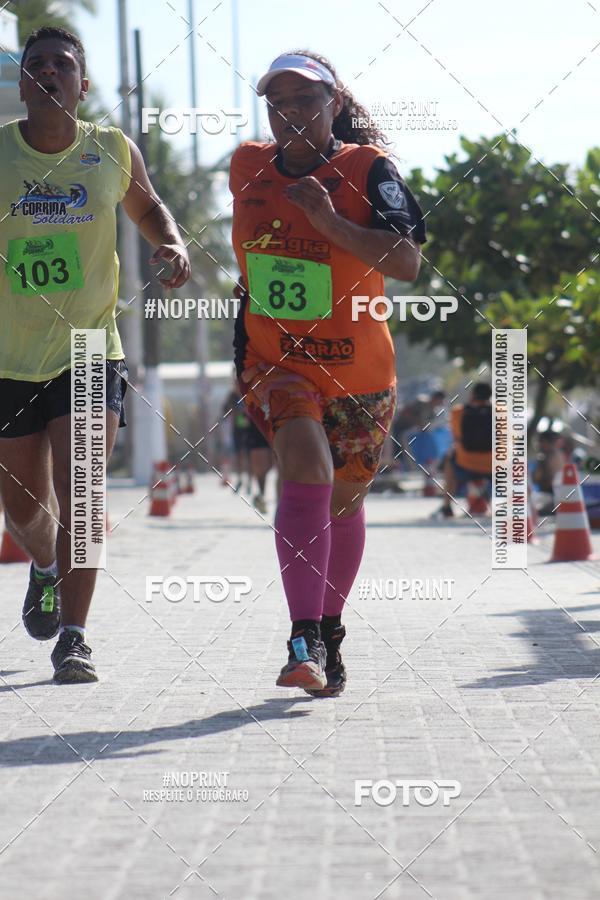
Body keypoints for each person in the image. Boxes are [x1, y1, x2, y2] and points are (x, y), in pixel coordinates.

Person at [230, 51, 426, 695]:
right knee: (307, 467)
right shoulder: (247, 167)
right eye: (277, 101)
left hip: (361, 374)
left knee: (343, 500)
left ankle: (331, 629)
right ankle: (302, 636)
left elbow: (406, 264)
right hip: (275, 363)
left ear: (335, 103)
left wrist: (327, 221)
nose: (288, 113)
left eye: (304, 100)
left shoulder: (369, 170)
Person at [0, 27, 190, 683]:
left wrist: (173, 246)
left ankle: (75, 637)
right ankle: (45, 568)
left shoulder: (110, 150)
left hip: (88, 346)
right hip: (8, 354)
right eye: (37, 65)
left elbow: (151, 210)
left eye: (63, 64)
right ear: (22, 85)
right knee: (23, 506)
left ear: (81, 85)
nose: (49, 72)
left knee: (82, 493)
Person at [436, 383, 493, 518]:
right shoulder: (501, 411)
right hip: (494, 466)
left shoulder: (458, 412)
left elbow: (456, 436)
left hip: (466, 464)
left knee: (449, 460)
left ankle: (446, 506)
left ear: (472, 395)